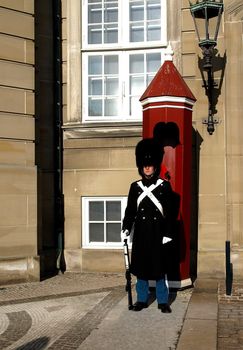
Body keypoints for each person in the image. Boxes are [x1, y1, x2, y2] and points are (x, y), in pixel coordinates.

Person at [121, 138, 173, 313]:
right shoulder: (134, 187)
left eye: (150, 165)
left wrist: (168, 233)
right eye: (145, 165)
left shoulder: (164, 186)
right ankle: (142, 300)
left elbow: (171, 213)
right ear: (141, 167)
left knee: (160, 270)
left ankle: (163, 301)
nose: (147, 168)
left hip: (159, 233)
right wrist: (126, 227)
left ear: (155, 166)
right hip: (142, 234)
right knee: (141, 269)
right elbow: (130, 211)